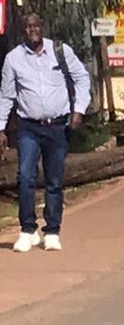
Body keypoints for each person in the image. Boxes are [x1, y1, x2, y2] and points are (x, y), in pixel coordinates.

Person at [0, 13, 92, 252]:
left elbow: (82, 78)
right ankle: (27, 229)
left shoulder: (60, 51)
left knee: (54, 179)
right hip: (28, 127)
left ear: (42, 27)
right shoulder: (14, 59)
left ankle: (52, 230)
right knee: (25, 177)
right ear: (23, 31)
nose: (32, 30)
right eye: (27, 27)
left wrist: (78, 110)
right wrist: (0, 127)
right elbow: (6, 96)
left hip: (58, 126)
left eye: (36, 26)